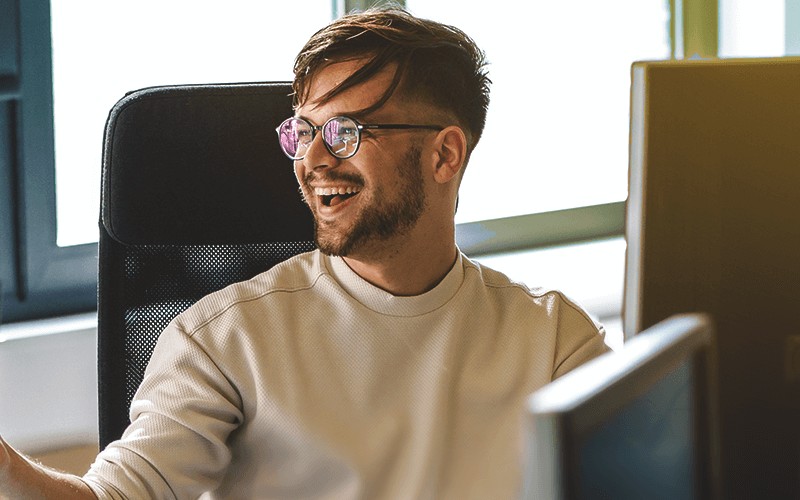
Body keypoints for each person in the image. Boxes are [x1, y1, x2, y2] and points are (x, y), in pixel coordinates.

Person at [0, 7, 608, 499]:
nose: (312, 161)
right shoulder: (221, 339)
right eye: (304, 131)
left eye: (345, 132)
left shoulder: (555, 341)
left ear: (445, 155)